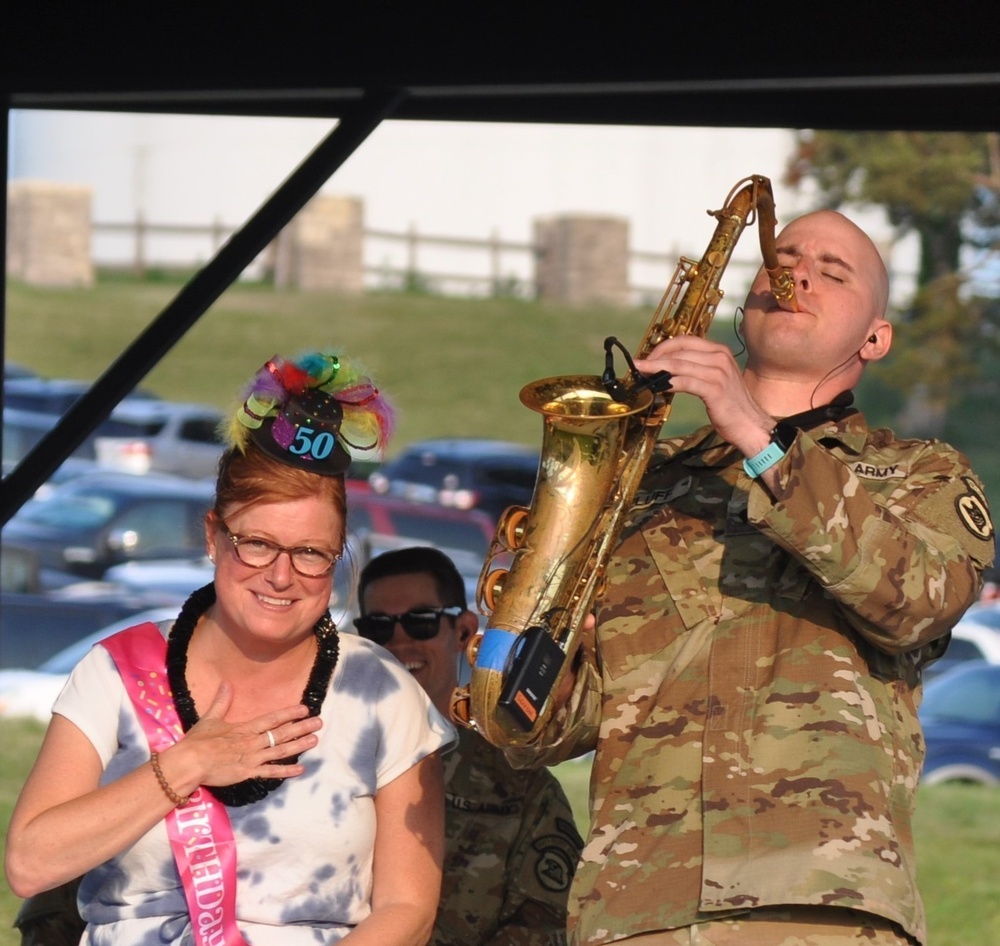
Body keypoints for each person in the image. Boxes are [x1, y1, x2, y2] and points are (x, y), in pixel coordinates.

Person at [504, 209, 996, 946]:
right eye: (781, 260)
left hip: (822, 902)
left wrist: (755, 433)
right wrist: (527, 609)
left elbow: (917, 602)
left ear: (875, 338)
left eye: (833, 273)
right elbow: (541, 732)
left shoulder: (917, 473)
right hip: (637, 908)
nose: (796, 275)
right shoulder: (644, 485)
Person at [5, 350, 455, 946]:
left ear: (339, 553)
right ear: (215, 536)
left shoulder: (381, 688)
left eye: (311, 553)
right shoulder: (116, 671)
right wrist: (187, 764)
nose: (281, 575)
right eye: (258, 544)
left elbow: (408, 909)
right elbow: (30, 864)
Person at [355, 547, 583, 946]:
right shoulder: (328, 758)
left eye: (421, 622)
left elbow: (550, 925)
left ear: (463, 632)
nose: (399, 641)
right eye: (378, 627)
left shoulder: (520, 787)